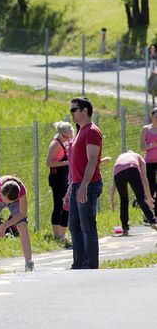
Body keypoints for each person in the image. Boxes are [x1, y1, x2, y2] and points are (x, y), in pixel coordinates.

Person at [66, 96, 103, 269]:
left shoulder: (92, 131)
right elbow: (77, 164)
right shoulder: (80, 131)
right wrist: (71, 189)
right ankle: (79, 263)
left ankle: (90, 264)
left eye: (74, 110)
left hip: (88, 184)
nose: (71, 113)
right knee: (74, 226)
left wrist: (84, 186)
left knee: (87, 225)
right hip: (77, 184)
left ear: (85, 111)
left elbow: (92, 160)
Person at [110, 151, 157, 235]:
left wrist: (112, 200)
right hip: (132, 169)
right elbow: (144, 180)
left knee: (124, 200)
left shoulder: (119, 158)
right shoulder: (139, 157)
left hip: (118, 173)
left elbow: (114, 183)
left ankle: (125, 228)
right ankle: (152, 221)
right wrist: (149, 198)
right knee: (140, 198)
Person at [47, 121, 73, 244]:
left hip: (64, 178)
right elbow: (49, 162)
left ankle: (62, 233)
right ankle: (57, 235)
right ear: (61, 133)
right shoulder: (55, 144)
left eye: (69, 137)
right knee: (58, 205)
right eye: (66, 137)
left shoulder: (64, 142)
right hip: (57, 179)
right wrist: (67, 162)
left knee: (65, 205)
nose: (67, 139)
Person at [139, 107, 157, 202]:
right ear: (152, 117)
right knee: (151, 186)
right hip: (149, 162)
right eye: (156, 117)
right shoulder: (146, 129)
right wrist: (152, 145)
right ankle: (149, 206)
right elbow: (142, 147)